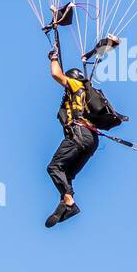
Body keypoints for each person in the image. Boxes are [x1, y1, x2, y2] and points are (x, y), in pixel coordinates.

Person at [45, 49, 98, 228]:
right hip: (91, 141)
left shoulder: (76, 85)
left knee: (54, 167)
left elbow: (55, 74)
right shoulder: (84, 95)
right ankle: (65, 202)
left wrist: (53, 57)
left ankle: (69, 202)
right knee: (65, 174)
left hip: (79, 135)